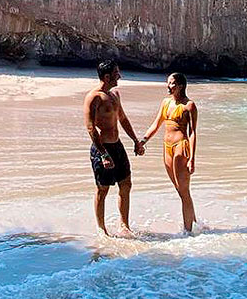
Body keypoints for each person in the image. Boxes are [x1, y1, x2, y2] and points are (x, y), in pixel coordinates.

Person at [83, 59, 145, 237]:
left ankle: (124, 225)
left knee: (126, 184)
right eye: (117, 73)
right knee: (102, 189)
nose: (120, 76)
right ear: (107, 76)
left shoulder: (115, 94)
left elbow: (123, 119)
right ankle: (101, 229)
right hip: (102, 148)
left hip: (117, 146)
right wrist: (103, 154)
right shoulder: (94, 97)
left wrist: (135, 140)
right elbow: (90, 127)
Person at [142, 71, 198, 233]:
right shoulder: (166, 102)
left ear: (180, 86)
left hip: (181, 146)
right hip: (167, 147)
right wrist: (143, 140)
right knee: (178, 189)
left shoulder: (189, 105)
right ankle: (195, 223)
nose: (168, 86)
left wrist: (192, 158)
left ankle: (188, 232)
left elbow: (193, 132)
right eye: (168, 82)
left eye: (172, 83)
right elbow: (156, 123)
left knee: (183, 190)